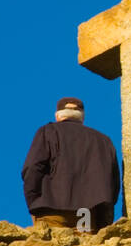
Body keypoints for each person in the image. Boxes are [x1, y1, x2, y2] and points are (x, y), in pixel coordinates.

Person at [22, 97, 121, 232]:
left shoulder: (48, 132)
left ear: (58, 115)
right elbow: (113, 182)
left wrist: (34, 201)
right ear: (82, 117)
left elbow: (33, 168)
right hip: (86, 212)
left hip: (52, 209)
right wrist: (104, 216)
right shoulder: (103, 140)